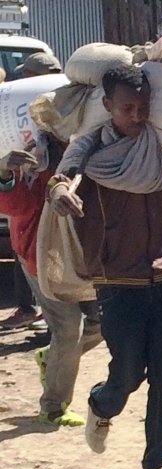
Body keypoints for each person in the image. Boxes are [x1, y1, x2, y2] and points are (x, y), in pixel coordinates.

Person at [49, 64, 162, 469]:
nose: (137, 116)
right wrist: (61, 192)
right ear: (107, 106)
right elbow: (64, 178)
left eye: (143, 107)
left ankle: (159, 460)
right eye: (127, 108)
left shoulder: (160, 147)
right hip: (116, 278)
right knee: (127, 373)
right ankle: (101, 404)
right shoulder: (90, 151)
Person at [0, 134, 102, 425]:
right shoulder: (35, 152)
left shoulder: (99, 143)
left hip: (85, 253)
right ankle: (54, 405)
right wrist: (4, 173)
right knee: (69, 329)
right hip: (40, 250)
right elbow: (16, 206)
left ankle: (53, 357)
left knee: (105, 322)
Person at [1, 52, 62, 331]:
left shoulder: (56, 129)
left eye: (27, 75)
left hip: (39, 230)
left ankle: (47, 324)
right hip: (29, 232)